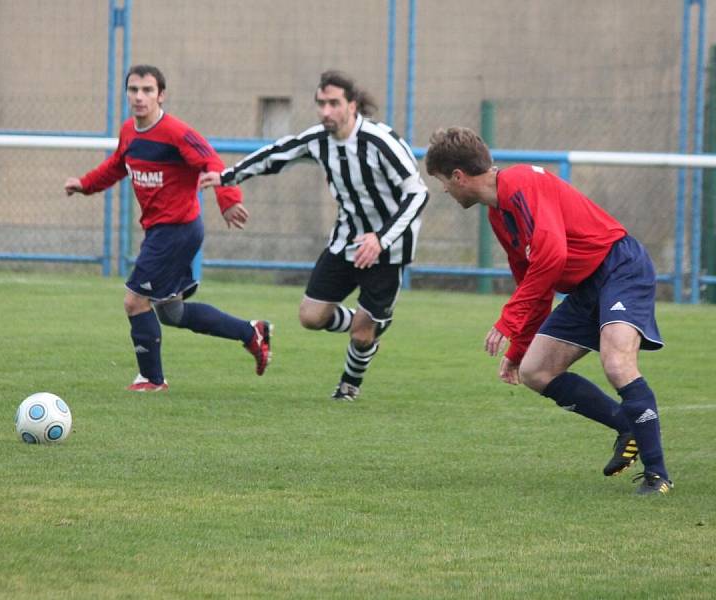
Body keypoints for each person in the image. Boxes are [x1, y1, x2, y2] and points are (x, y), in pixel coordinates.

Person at [425, 126, 672, 495]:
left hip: (619, 267)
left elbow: (551, 256)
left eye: (443, 181)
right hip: (585, 286)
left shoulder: (522, 183)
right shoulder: (499, 214)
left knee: (617, 363)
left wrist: (507, 320)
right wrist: (518, 348)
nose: (444, 189)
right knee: (535, 371)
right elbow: (532, 282)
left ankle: (658, 475)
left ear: (459, 176)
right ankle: (627, 425)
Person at [200, 70, 429, 401]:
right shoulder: (319, 140)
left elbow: (418, 194)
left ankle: (348, 386)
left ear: (352, 105)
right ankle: (370, 325)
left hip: (388, 249)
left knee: (362, 335)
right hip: (346, 242)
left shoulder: (381, 142)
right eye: (320, 104)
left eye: (333, 104)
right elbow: (277, 154)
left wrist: (380, 238)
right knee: (311, 316)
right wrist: (228, 177)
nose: (325, 112)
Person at [64, 64, 272, 391]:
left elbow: (211, 162)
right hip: (161, 231)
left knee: (134, 301)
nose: (139, 97)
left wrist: (228, 199)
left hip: (176, 230)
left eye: (147, 90)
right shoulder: (130, 133)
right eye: (133, 90)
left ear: (161, 95)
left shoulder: (176, 133)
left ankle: (151, 379)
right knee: (172, 313)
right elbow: (117, 166)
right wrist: (85, 184)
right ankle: (252, 332)